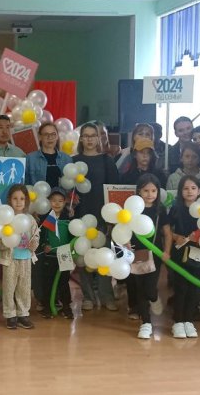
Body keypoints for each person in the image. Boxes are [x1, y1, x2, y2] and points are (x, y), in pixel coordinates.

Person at [73, 122, 119, 311]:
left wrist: (111, 219)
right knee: (83, 259)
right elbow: (69, 190)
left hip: (102, 216)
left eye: (93, 135)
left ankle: (107, 296)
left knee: (104, 257)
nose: (90, 139)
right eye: (86, 135)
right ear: (81, 139)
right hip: (80, 216)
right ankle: (88, 297)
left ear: (99, 138)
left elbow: (114, 190)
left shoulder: (107, 160)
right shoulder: (73, 161)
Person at [128, 174, 172, 339]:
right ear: (139, 191)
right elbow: (125, 228)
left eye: (153, 190)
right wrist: (126, 243)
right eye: (146, 190)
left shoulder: (160, 210)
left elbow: (167, 233)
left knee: (150, 288)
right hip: (136, 253)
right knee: (140, 288)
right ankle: (146, 323)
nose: (150, 194)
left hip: (156, 254)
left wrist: (167, 252)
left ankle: (154, 297)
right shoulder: (132, 209)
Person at [167, 175, 200, 339]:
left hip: (199, 253)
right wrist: (176, 237)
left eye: (193, 188)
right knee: (180, 287)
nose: (189, 191)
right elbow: (167, 230)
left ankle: (189, 320)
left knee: (193, 288)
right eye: (185, 188)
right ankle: (178, 321)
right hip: (179, 253)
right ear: (180, 191)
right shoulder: (176, 208)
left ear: (199, 191)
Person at [0, 184, 39, 329]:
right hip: (10, 260)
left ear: (26, 200)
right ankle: (10, 315)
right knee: (9, 288)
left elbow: (36, 236)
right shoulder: (5, 219)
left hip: (25, 258)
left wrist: (34, 244)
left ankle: (23, 314)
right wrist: (6, 242)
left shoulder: (30, 219)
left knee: (24, 288)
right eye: (15, 198)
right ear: (10, 200)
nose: (19, 202)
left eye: (22, 198)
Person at [36, 188, 73, 319]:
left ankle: (66, 307)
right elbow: (41, 236)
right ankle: (47, 306)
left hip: (65, 255)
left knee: (64, 282)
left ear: (65, 202)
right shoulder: (45, 218)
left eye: (60, 201)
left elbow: (73, 236)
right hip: (50, 256)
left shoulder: (68, 218)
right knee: (48, 281)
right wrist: (44, 245)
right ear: (48, 202)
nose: (57, 203)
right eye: (53, 200)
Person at [26, 122, 73, 188]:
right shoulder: (30, 159)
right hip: (37, 194)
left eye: (53, 134)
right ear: (40, 137)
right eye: (46, 134)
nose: (50, 137)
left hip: (61, 194)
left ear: (57, 136)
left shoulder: (67, 159)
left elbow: (70, 185)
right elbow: (25, 185)